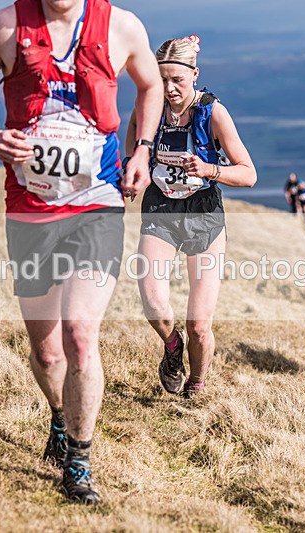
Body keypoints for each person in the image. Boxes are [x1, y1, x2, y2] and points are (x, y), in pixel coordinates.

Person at [0, 0, 162, 505]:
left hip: (99, 203)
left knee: (80, 335)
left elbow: (150, 85)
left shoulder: (123, 26)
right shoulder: (5, 26)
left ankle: (79, 463)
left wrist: (143, 151)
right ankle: (60, 417)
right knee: (47, 352)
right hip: (30, 208)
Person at [125, 35, 256, 398]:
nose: (168, 89)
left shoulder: (212, 112)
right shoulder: (148, 107)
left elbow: (248, 173)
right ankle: (171, 346)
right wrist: (132, 168)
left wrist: (210, 169)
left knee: (199, 325)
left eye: (177, 80)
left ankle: (196, 384)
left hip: (204, 215)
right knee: (152, 301)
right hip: (161, 209)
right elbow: (133, 134)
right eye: (162, 79)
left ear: (194, 75)